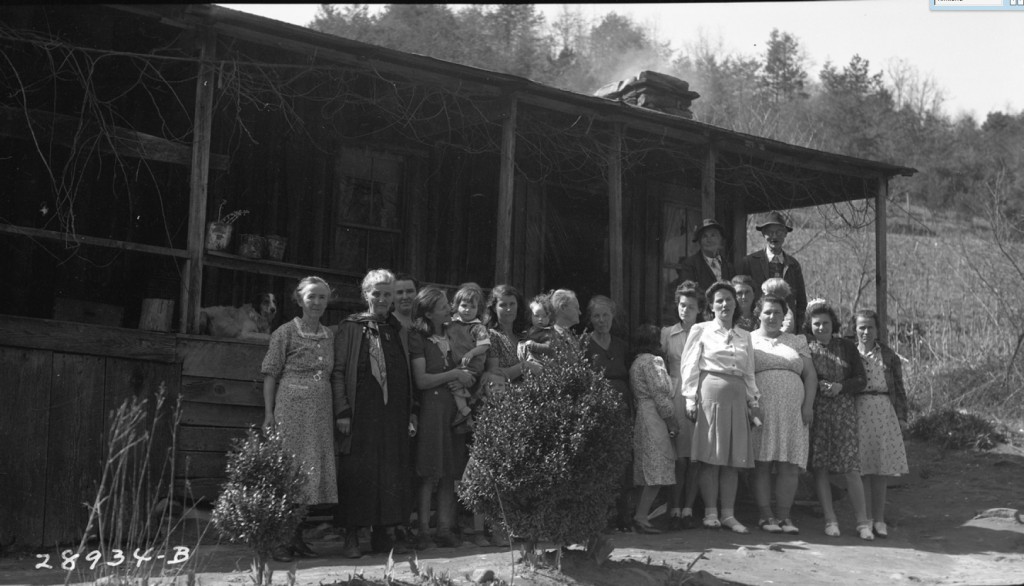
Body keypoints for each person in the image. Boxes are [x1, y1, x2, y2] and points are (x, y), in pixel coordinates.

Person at [331, 269, 416, 558]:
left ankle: (384, 534)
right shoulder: (351, 327)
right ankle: (353, 535)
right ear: (365, 294)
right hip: (360, 411)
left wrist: (410, 413)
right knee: (358, 471)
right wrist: (342, 410)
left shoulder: (398, 329)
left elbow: (406, 375)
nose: (381, 298)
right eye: (376, 293)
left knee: (390, 471)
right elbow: (339, 370)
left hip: (392, 414)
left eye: (387, 294)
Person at [261, 276, 336, 562]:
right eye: (311, 297)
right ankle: (281, 540)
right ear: (299, 299)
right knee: (290, 470)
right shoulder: (285, 332)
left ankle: (297, 537)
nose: (316, 303)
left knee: (311, 470)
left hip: (320, 410)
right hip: (292, 406)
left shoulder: (329, 335)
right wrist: (269, 413)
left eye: (322, 298)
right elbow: (270, 373)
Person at [681, 281, 760, 534]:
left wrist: (753, 401)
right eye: (719, 301)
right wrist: (690, 399)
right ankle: (710, 513)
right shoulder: (701, 330)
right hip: (710, 395)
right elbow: (690, 365)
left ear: (736, 303)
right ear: (711, 306)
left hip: (737, 398)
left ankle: (728, 514)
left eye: (729, 299)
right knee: (710, 458)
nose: (725, 304)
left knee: (732, 460)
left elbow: (749, 373)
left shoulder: (744, 336)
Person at [409, 287, 478, 550]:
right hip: (432, 410)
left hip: (453, 409)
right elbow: (422, 380)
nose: (449, 309)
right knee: (428, 470)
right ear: (428, 312)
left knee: (450, 469)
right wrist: (455, 375)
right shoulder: (419, 338)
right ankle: (424, 530)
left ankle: (445, 528)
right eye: (442, 307)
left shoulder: (453, 333)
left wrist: (466, 376)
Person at [803, 299, 873, 540]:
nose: (821, 327)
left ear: (833, 323)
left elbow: (861, 379)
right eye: (816, 324)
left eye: (825, 323)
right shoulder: (805, 347)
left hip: (843, 409)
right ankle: (830, 519)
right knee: (820, 467)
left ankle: (863, 522)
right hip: (817, 410)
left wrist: (840, 386)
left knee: (850, 466)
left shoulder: (846, 346)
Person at [749, 295, 817, 535]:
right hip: (762, 409)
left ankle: (784, 516)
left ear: (784, 316)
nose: (773, 316)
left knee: (789, 464)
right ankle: (766, 515)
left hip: (793, 411)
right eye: (768, 312)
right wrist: (751, 405)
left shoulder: (796, 341)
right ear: (758, 313)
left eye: (778, 312)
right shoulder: (749, 340)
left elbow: (810, 375)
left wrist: (808, 405)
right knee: (763, 463)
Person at [854, 309, 909, 539]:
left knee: (881, 469)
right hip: (859, 410)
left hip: (883, 409)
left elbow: (898, 386)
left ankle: (879, 519)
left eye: (870, 327)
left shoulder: (888, 355)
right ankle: (864, 520)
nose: (866, 332)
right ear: (855, 329)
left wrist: (902, 415)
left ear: (877, 330)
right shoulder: (850, 354)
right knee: (862, 469)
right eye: (861, 327)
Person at [584, 295, 632, 531]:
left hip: (622, 408)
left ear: (613, 316)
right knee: (599, 462)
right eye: (596, 316)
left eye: (605, 315)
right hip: (597, 409)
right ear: (590, 319)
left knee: (622, 461)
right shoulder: (584, 343)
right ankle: (600, 519)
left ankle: (622, 518)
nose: (601, 320)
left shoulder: (622, 345)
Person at [660, 281, 703, 530]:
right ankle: (673, 508)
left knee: (695, 457)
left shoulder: (706, 331)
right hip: (675, 394)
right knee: (679, 457)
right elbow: (662, 365)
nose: (685, 310)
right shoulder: (667, 333)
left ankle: (688, 509)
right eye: (682, 305)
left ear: (700, 310)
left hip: (699, 395)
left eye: (691, 306)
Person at [630, 324, 679, 534]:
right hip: (654, 416)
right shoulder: (653, 361)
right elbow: (660, 394)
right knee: (657, 465)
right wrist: (671, 420)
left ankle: (641, 514)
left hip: (641, 414)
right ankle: (642, 516)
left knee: (646, 466)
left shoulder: (635, 363)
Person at [735, 210, 807, 330]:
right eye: (770, 232)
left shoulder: (793, 265)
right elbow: (740, 294)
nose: (774, 236)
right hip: (757, 326)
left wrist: (797, 327)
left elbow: (801, 301)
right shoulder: (750, 262)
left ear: (785, 234)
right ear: (763, 234)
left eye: (779, 232)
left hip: (787, 326)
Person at [447, 285, 490, 428]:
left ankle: (464, 411)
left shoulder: (478, 328)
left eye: (472, 307)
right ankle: (465, 414)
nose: (467, 310)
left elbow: (484, 345)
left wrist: (471, 353)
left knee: (456, 383)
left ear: (478, 310)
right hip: (457, 364)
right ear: (456, 306)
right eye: (464, 305)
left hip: (472, 365)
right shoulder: (451, 323)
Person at [679, 219, 735, 293]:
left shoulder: (728, 267)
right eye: (705, 236)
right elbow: (688, 293)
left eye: (713, 235)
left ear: (720, 239)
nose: (709, 240)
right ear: (699, 241)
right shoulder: (690, 265)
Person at [518, 292, 556, 365]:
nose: (540, 319)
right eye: (536, 316)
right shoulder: (530, 329)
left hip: (542, 364)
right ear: (530, 315)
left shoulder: (548, 332)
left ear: (550, 317)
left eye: (544, 316)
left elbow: (549, 348)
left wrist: (533, 345)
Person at [550, 289, 583, 353]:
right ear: (563, 307)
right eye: (576, 308)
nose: (580, 313)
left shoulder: (571, 337)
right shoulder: (549, 337)